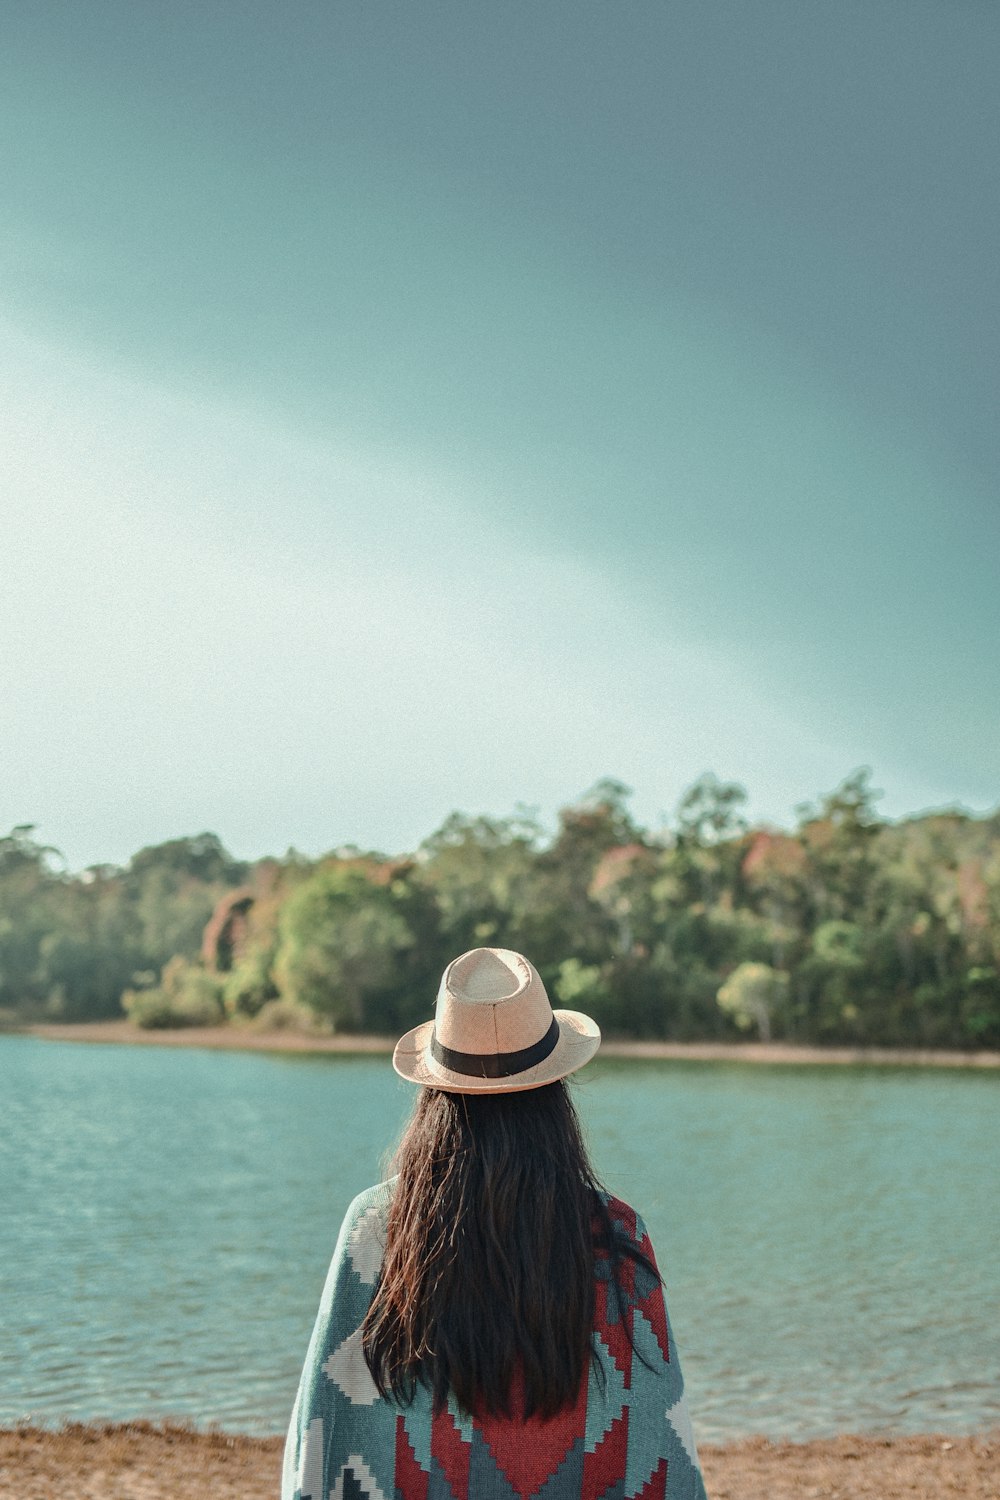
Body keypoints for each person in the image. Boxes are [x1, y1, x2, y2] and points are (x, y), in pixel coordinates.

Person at [282, 946, 707, 1500]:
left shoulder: (378, 1227)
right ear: (557, 1093)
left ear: (434, 1093)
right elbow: (658, 1448)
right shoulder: (615, 1233)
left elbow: (327, 1432)